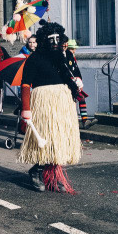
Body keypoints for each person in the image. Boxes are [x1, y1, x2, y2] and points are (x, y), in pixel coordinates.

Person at [19, 21, 82, 192]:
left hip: (62, 101)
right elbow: (25, 84)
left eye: (57, 39)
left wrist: (77, 82)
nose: (54, 43)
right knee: (46, 137)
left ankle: (53, 176)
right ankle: (36, 170)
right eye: (51, 39)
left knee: (60, 138)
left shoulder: (64, 57)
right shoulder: (34, 58)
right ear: (43, 40)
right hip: (43, 101)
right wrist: (26, 109)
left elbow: (74, 73)